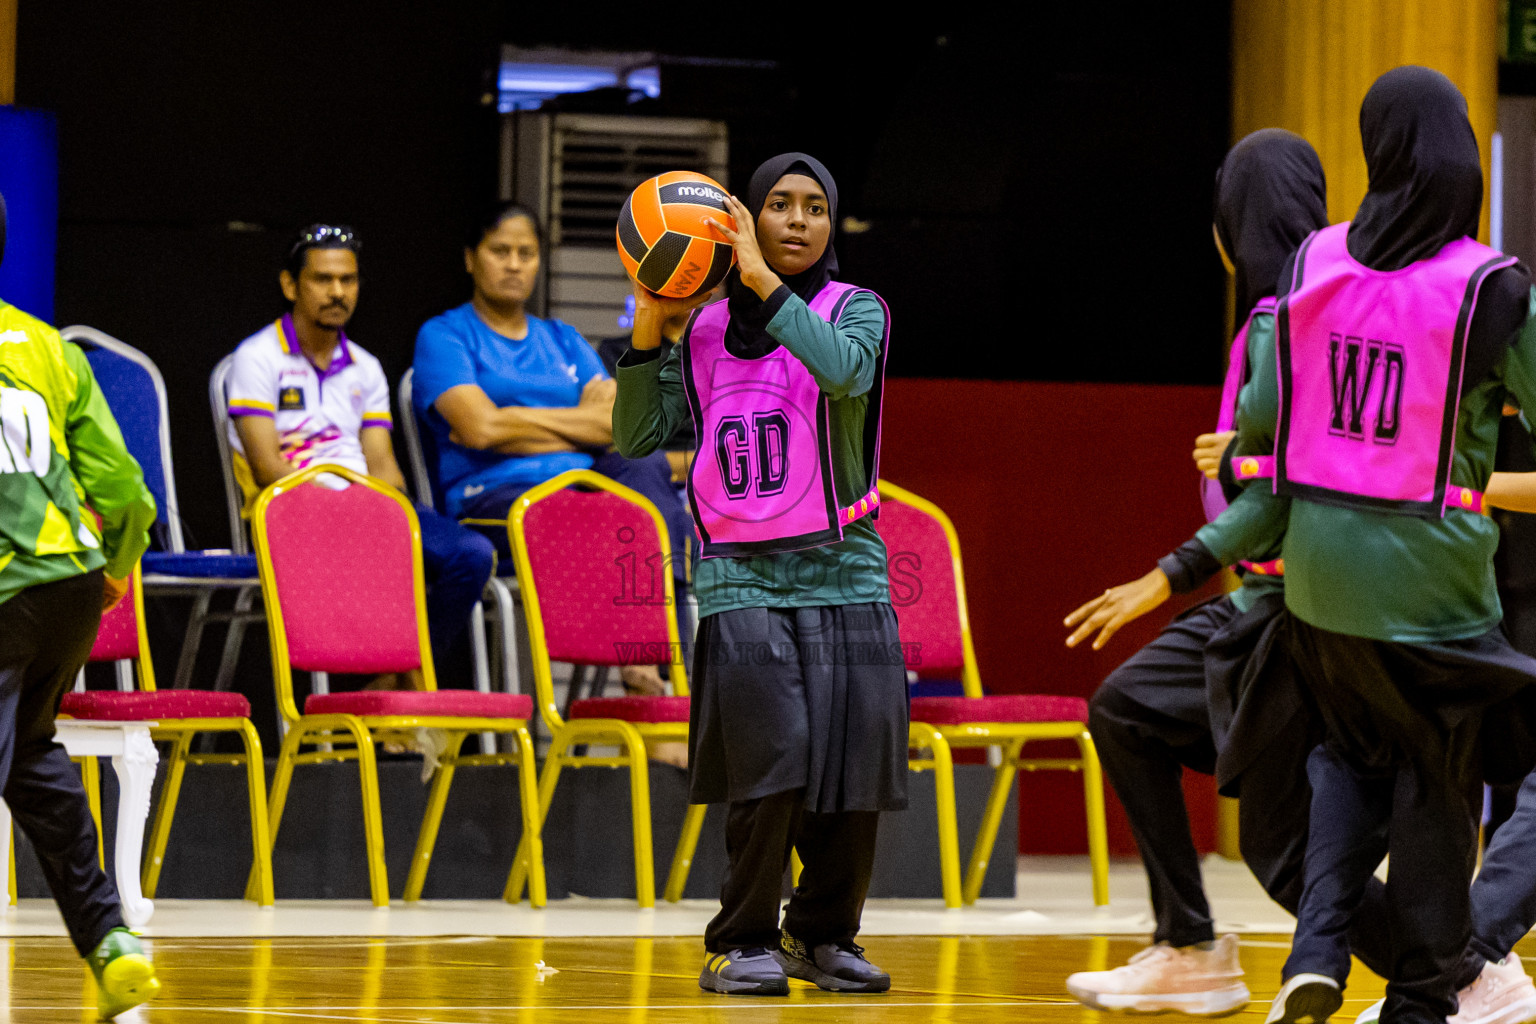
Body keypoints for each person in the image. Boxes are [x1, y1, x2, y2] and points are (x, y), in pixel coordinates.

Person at [1229, 68, 1536, 1024]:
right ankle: (1423, 997)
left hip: (1317, 587)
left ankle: (1316, 952)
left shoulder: (1312, 261)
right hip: (1433, 589)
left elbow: (1260, 425)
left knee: (1352, 761)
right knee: (1441, 783)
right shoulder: (1492, 288)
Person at [613, 152, 904, 997]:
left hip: (845, 569)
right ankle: (741, 939)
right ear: (746, 217)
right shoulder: (701, 332)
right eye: (780, 204)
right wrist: (647, 318)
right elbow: (637, 436)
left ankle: (821, 935)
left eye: (816, 206)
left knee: (852, 770)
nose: (800, 221)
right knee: (773, 758)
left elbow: (842, 372)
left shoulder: (860, 312)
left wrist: (761, 286)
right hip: (740, 577)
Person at [1059, 129, 1335, 1017]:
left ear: (1233, 227)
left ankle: (1463, 968)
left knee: (1285, 851)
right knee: (1129, 709)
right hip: (1263, 599)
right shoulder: (1286, 317)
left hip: (1301, 607)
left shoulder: (1290, 323)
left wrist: (1172, 565)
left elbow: (1291, 483)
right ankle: (1187, 943)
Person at [411, 203, 691, 710]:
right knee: (617, 518)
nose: (514, 264)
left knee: (644, 466)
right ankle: (650, 679)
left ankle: (655, 669)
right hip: (493, 499)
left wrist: (511, 421)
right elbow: (477, 428)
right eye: (500, 251)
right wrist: (579, 432)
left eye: (527, 253)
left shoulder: (561, 337)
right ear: (471, 259)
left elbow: (617, 425)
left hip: (585, 491)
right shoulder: (444, 335)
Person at [0, 190, 161, 1019]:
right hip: (67, 584)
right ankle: (110, 942)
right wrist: (117, 567)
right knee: (29, 756)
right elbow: (127, 491)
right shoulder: (46, 348)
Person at [226, 224, 495, 685]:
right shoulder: (257, 358)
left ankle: (394, 680)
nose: (337, 292)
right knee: (379, 551)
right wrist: (349, 509)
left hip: (367, 504)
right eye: (322, 279)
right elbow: (267, 465)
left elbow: (383, 463)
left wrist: (388, 511)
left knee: (471, 554)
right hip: (293, 509)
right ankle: (410, 696)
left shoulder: (366, 367)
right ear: (291, 285)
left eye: (348, 280)